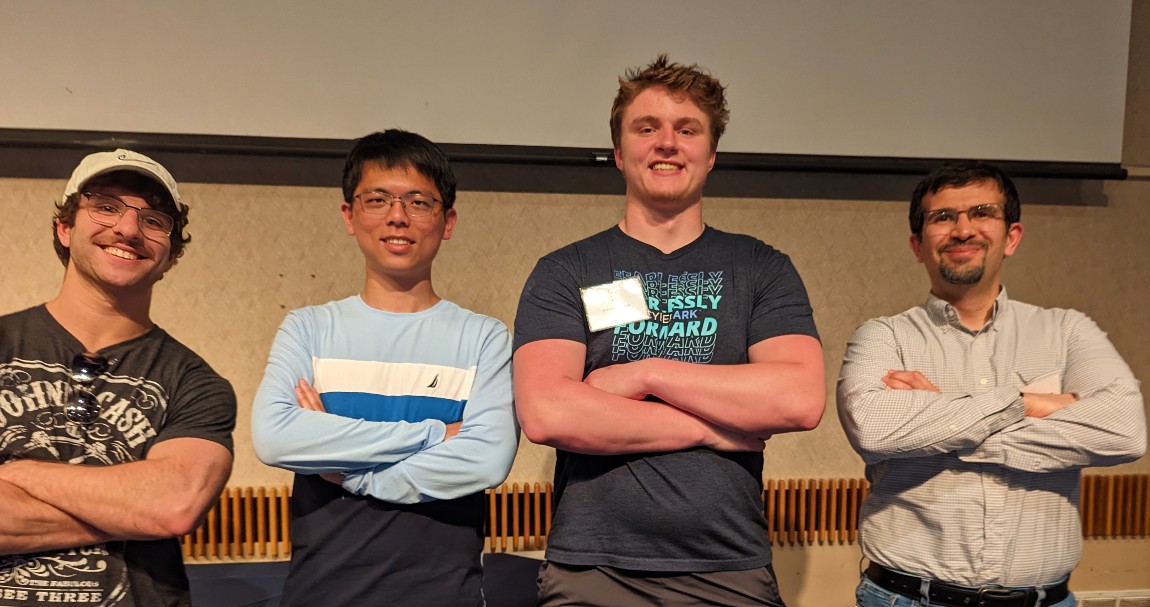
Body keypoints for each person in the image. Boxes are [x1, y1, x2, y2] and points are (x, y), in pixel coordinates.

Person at [513, 55, 825, 606]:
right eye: (646, 128)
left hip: (729, 568)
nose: (666, 143)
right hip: (591, 569)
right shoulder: (566, 270)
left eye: (687, 130)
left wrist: (646, 373)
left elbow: (797, 398)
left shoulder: (761, 267)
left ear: (710, 156)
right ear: (618, 153)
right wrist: (709, 428)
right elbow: (548, 412)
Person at [837, 161, 1146, 607]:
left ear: (1012, 237)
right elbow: (874, 428)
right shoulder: (883, 337)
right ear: (917, 245)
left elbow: (1124, 430)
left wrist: (939, 418)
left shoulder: (1068, 331)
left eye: (982, 213)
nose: (963, 229)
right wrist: (1028, 401)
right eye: (942, 217)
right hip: (905, 600)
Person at [250, 129, 518, 606]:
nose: (398, 216)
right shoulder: (309, 329)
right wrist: (437, 434)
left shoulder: (483, 337)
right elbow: (276, 437)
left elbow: (487, 457)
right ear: (349, 216)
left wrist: (346, 468)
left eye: (418, 201)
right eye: (377, 199)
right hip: (321, 594)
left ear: (448, 220)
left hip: (444, 595)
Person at [0, 149, 237, 606]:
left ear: (171, 256)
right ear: (65, 228)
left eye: (153, 220)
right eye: (106, 206)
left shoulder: (196, 381)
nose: (128, 229)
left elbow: (173, 506)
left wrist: (19, 473)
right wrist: (130, 511)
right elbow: (152, 509)